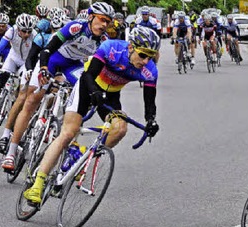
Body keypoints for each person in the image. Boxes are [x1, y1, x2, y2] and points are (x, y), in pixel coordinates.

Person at [22, 26, 161, 205]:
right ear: (131, 47)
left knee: (119, 129)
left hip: (111, 96)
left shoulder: (150, 71)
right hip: (88, 86)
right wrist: (94, 92)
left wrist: (151, 120)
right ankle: (37, 184)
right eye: (143, 55)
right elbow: (88, 74)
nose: (146, 61)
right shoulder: (111, 48)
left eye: (151, 56)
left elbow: (150, 101)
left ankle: (81, 161)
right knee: (68, 133)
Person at [0, 2, 114, 170]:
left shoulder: (103, 41)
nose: (104, 25)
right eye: (102, 19)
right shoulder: (75, 27)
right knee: (31, 102)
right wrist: (43, 69)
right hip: (53, 59)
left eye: (107, 22)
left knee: (85, 91)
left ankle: (67, 135)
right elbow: (47, 50)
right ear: (90, 16)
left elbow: (99, 70)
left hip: (73, 65)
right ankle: (11, 153)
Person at [0, 14, 66, 160]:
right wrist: (29, 69)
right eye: (55, 29)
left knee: (55, 92)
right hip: (34, 65)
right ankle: (6, 137)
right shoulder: (41, 37)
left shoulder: (71, 41)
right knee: (23, 97)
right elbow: (31, 57)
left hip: (55, 69)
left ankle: (46, 121)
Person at [0, 14, 37, 132]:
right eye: (23, 31)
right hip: (13, 58)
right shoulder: (11, 31)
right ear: (18, 28)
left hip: (26, 62)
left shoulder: (34, 36)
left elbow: (36, 54)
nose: (26, 34)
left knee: (22, 88)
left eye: (29, 31)